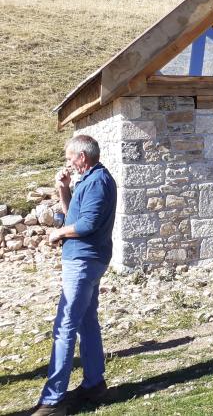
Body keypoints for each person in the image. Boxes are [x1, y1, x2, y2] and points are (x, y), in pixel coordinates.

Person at [33, 135, 117, 416]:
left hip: (83, 261)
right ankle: (95, 384)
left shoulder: (97, 182)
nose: (68, 162)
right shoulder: (89, 180)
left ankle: (53, 400)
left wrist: (57, 233)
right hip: (87, 259)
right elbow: (74, 218)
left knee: (65, 327)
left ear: (82, 157)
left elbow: (87, 224)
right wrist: (63, 190)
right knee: (86, 322)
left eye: (70, 157)